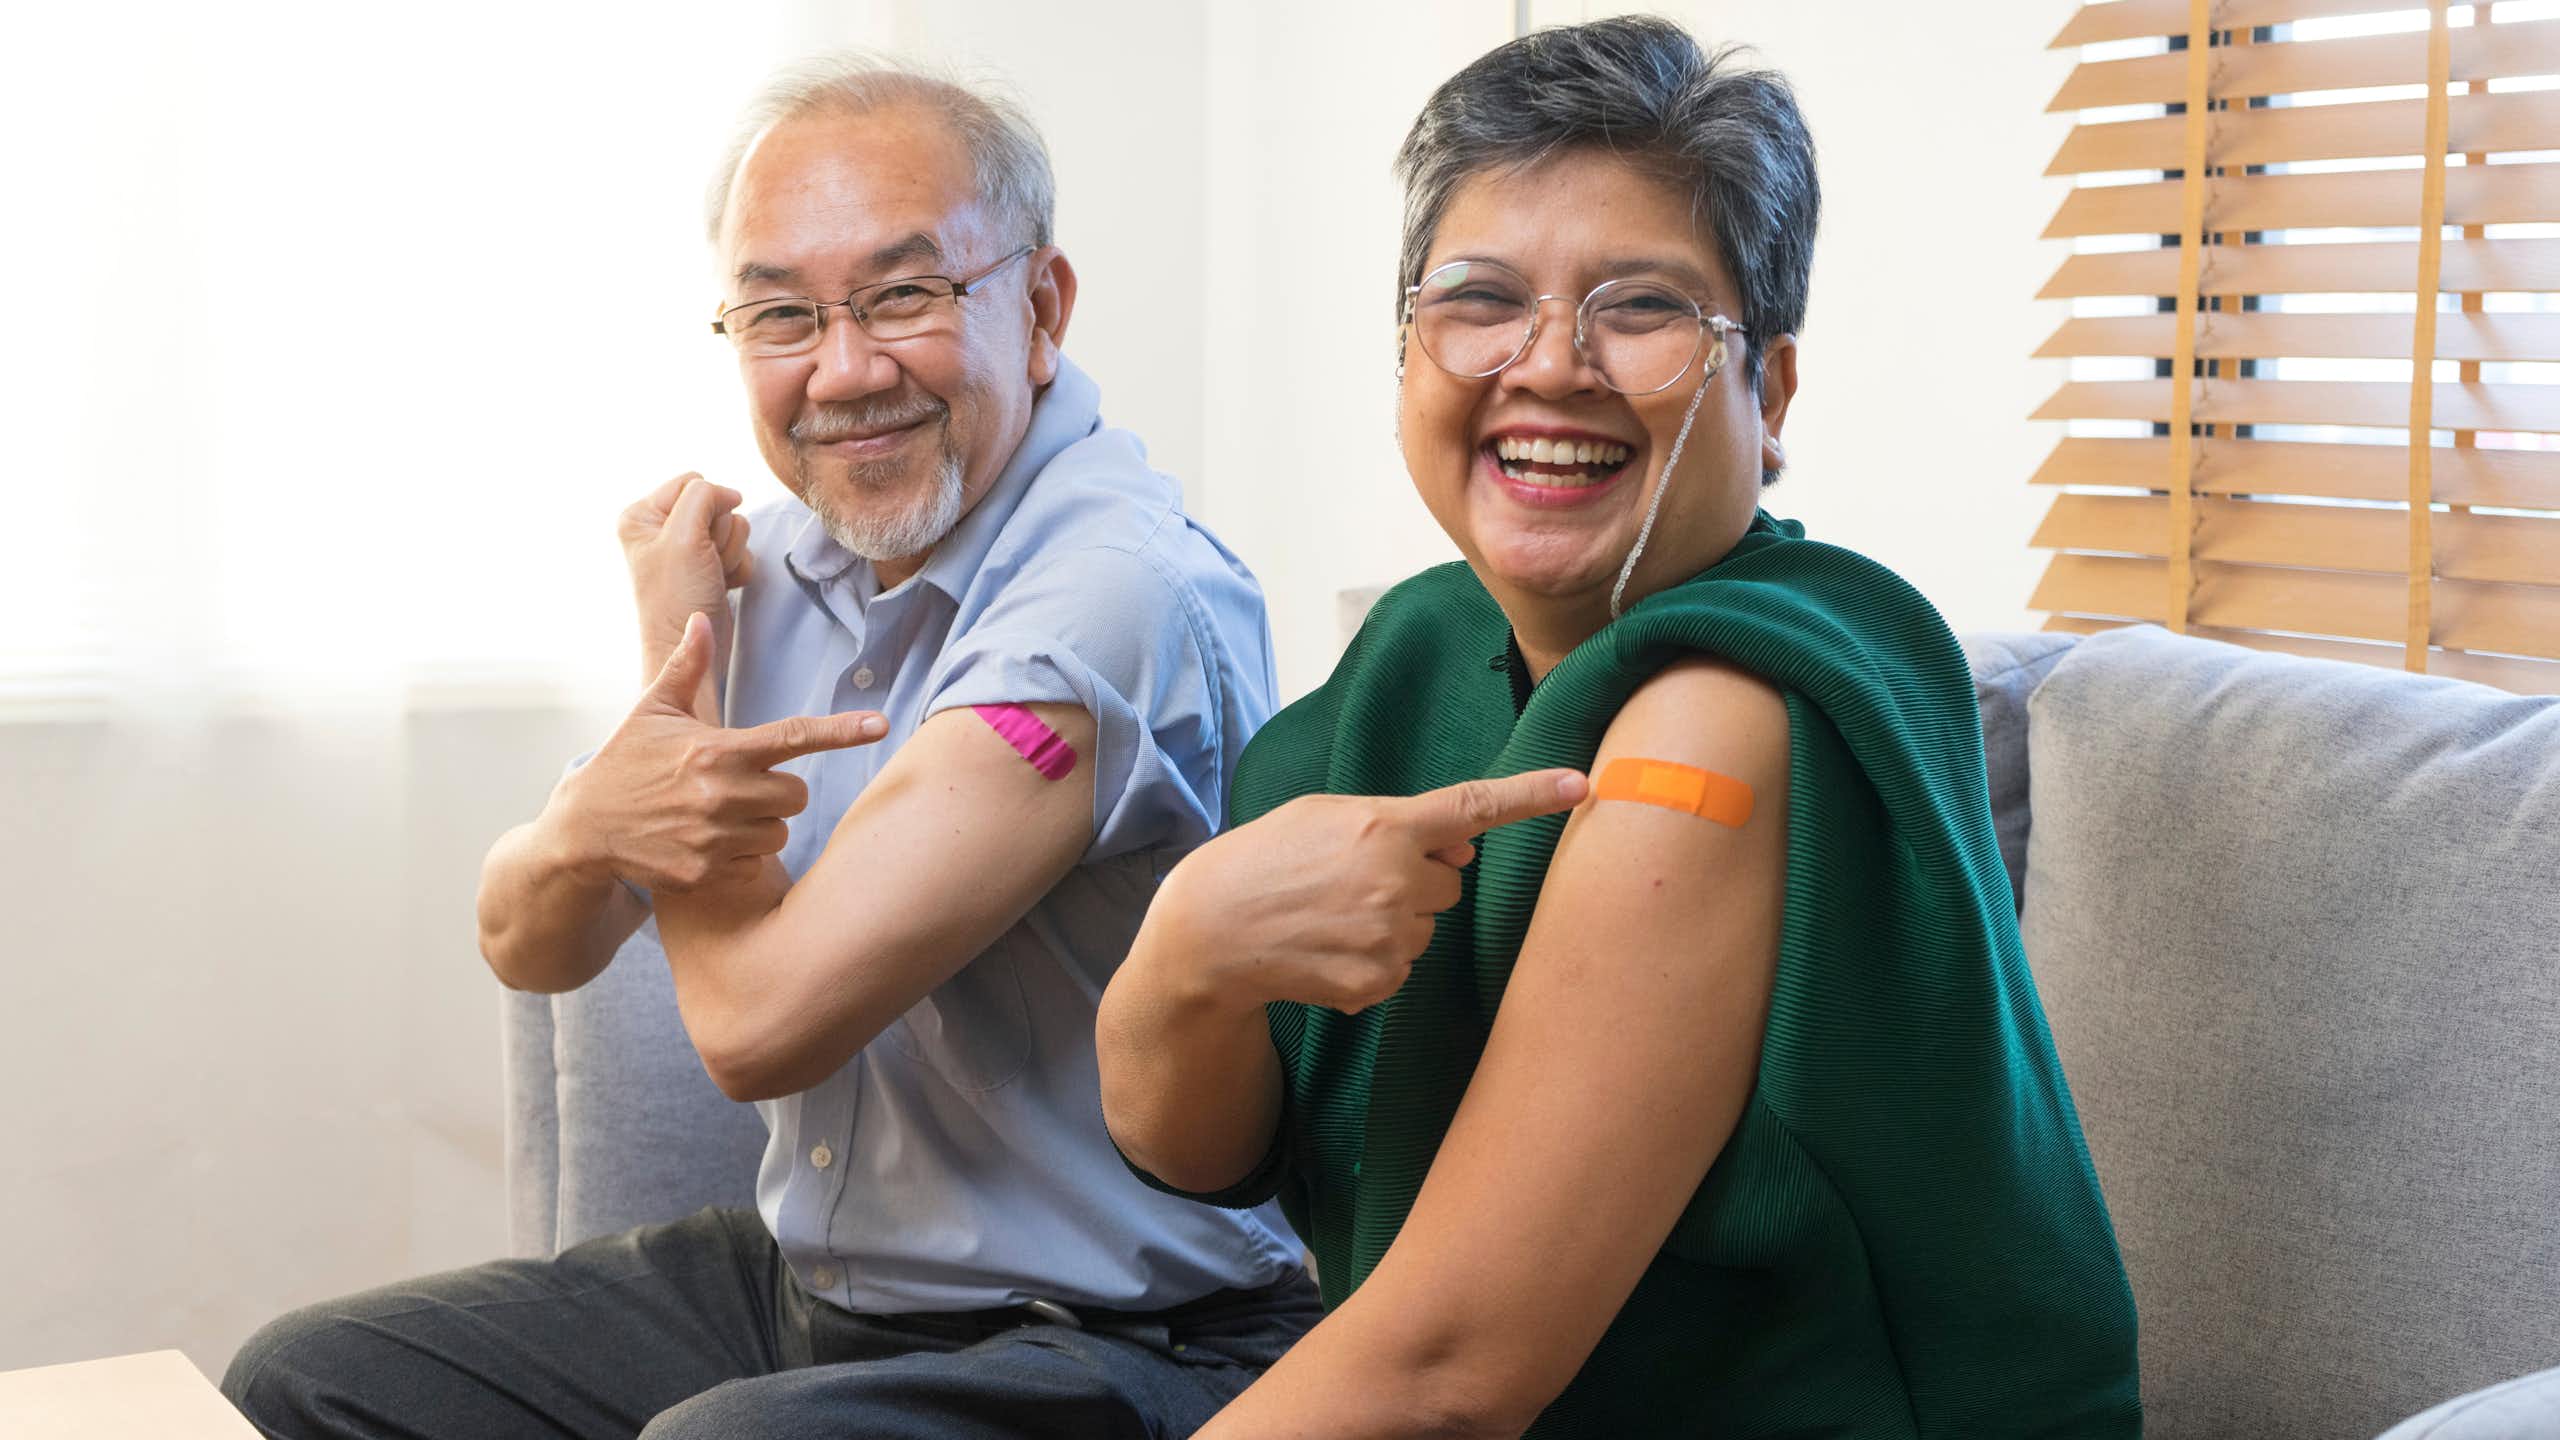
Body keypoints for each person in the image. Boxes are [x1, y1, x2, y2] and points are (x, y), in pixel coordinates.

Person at [222, 55, 1316, 1440]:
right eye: (782, 314)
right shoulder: (782, 568)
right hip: (813, 1290)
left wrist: (672, 691)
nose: (843, 372)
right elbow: (527, 937)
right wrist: (606, 802)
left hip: (1121, 1339)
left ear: (1041, 308)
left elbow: (761, 1029)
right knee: (305, 1380)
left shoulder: (1112, 596)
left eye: (904, 296)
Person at [1097, 17, 2142, 1438]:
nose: (1549, 364)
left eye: (1640, 308)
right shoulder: (1421, 647)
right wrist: (1185, 961)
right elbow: (1203, 1154)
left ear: (1770, 394)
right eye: (1482, 300)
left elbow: (1448, 1371)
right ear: (1408, 352)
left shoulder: (1734, 708)